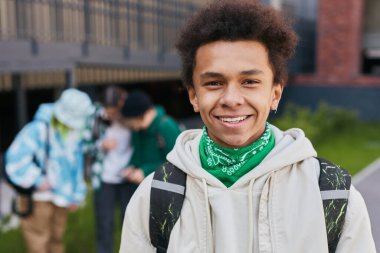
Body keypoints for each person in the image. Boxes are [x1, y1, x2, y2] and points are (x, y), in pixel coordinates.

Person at [119, 1, 376, 253]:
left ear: (275, 93)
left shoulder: (332, 195)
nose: (231, 99)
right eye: (214, 83)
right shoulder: (155, 197)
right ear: (193, 96)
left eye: (250, 81)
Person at [5, 88, 93, 253]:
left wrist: (75, 193)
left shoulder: (75, 131)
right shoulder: (37, 129)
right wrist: (38, 180)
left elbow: (76, 162)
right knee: (38, 240)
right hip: (39, 198)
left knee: (57, 238)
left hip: (61, 198)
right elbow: (15, 160)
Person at [83, 86, 135, 253]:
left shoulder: (132, 118)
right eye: (108, 111)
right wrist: (101, 145)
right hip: (105, 178)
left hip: (128, 178)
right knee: (104, 224)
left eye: (114, 111)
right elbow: (85, 146)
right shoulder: (95, 118)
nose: (110, 114)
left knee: (131, 224)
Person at [120, 90, 182, 185]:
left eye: (132, 123)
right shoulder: (137, 130)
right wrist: (132, 166)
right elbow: (137, 155)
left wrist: (145, 172)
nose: (133, 128)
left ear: (144, 115)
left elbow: (177, 162)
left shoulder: (166, 126)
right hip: (144, 186)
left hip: (165, 186)